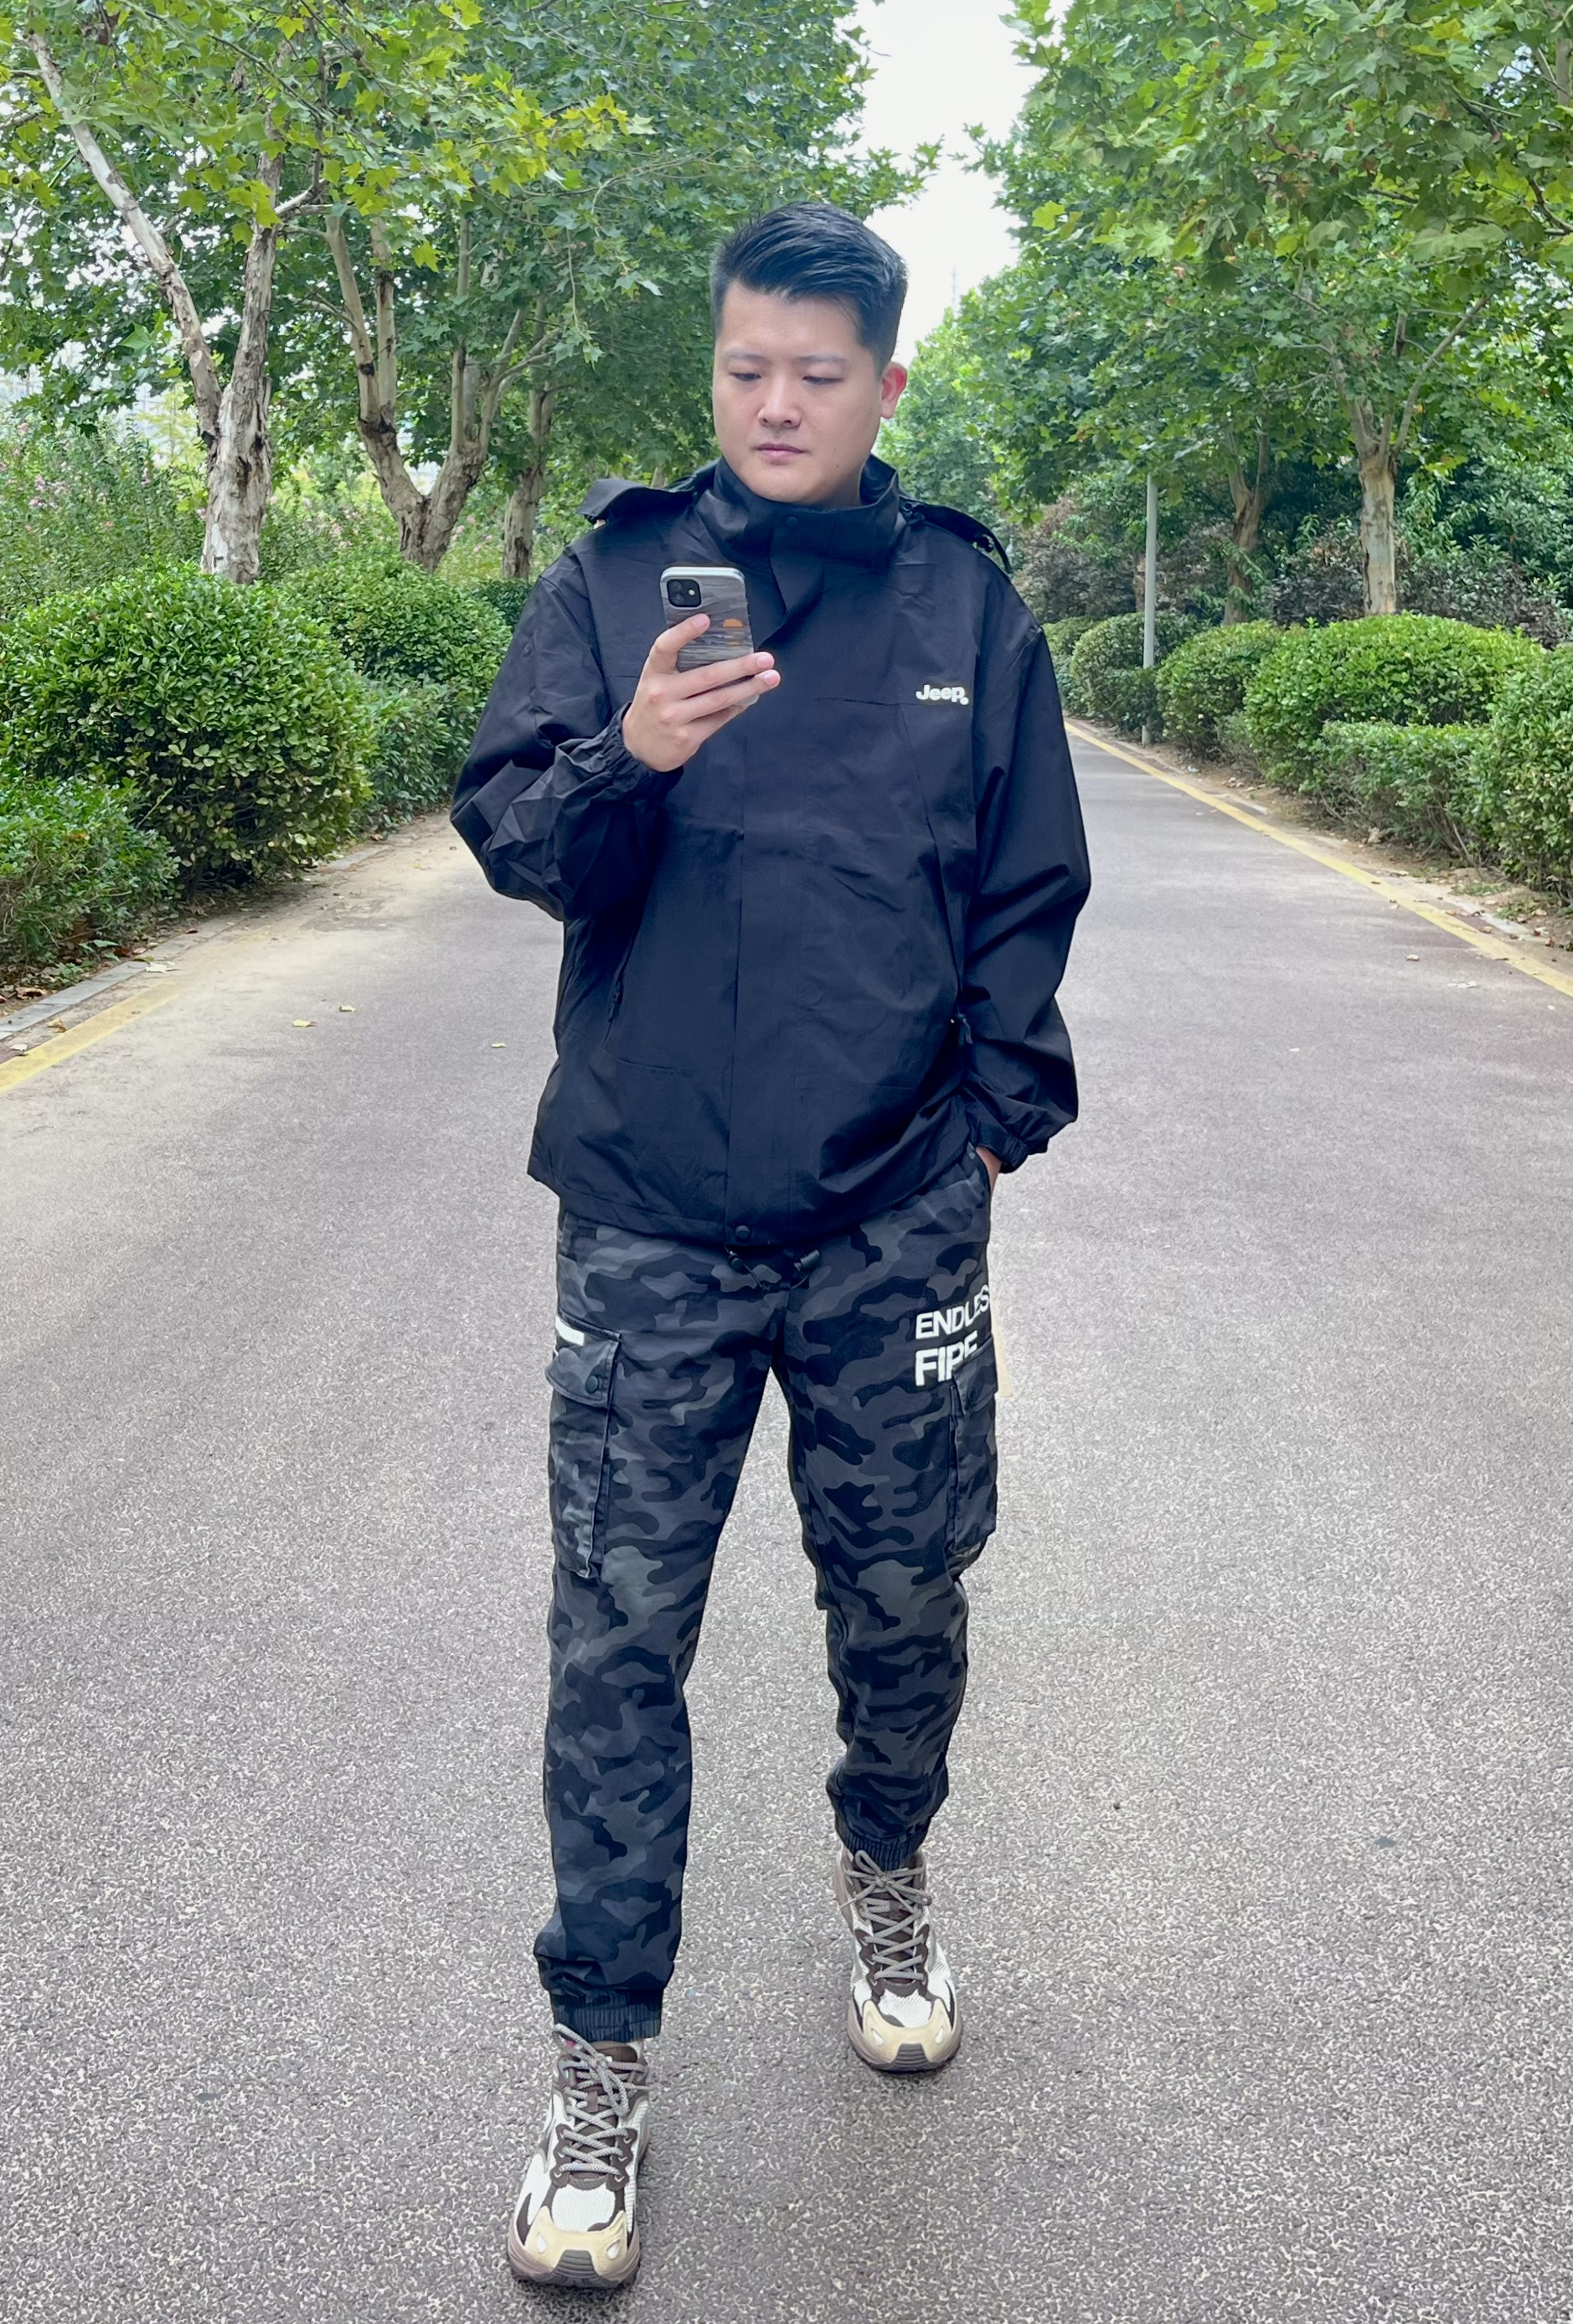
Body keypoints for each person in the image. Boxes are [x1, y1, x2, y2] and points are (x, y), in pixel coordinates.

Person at [452, 200, 1089, 2292]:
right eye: (746, 369)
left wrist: (986, 1130)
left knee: (904, 1598)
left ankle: (886, 1872)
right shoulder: (615, 578)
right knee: (615, 1641)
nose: (779, 404)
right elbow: (513, 836)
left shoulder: (965, 601)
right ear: (711, 369)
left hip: (891, 1216)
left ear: (887, 381)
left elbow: (1029, 883)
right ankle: (599, 2062)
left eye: (820, 373)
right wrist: (626, 751)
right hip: (651, 1211)